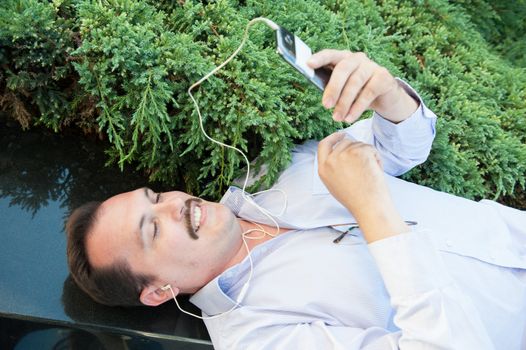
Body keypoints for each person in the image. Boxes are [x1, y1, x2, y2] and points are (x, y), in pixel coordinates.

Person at [65, 49, 526, 350]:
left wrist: (387, 95)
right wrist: (372, 210)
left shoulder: (267, 176)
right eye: (153, 228)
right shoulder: (257, 337)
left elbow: (403, 147)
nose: (176, 204)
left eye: (156, 197)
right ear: (159, 291)